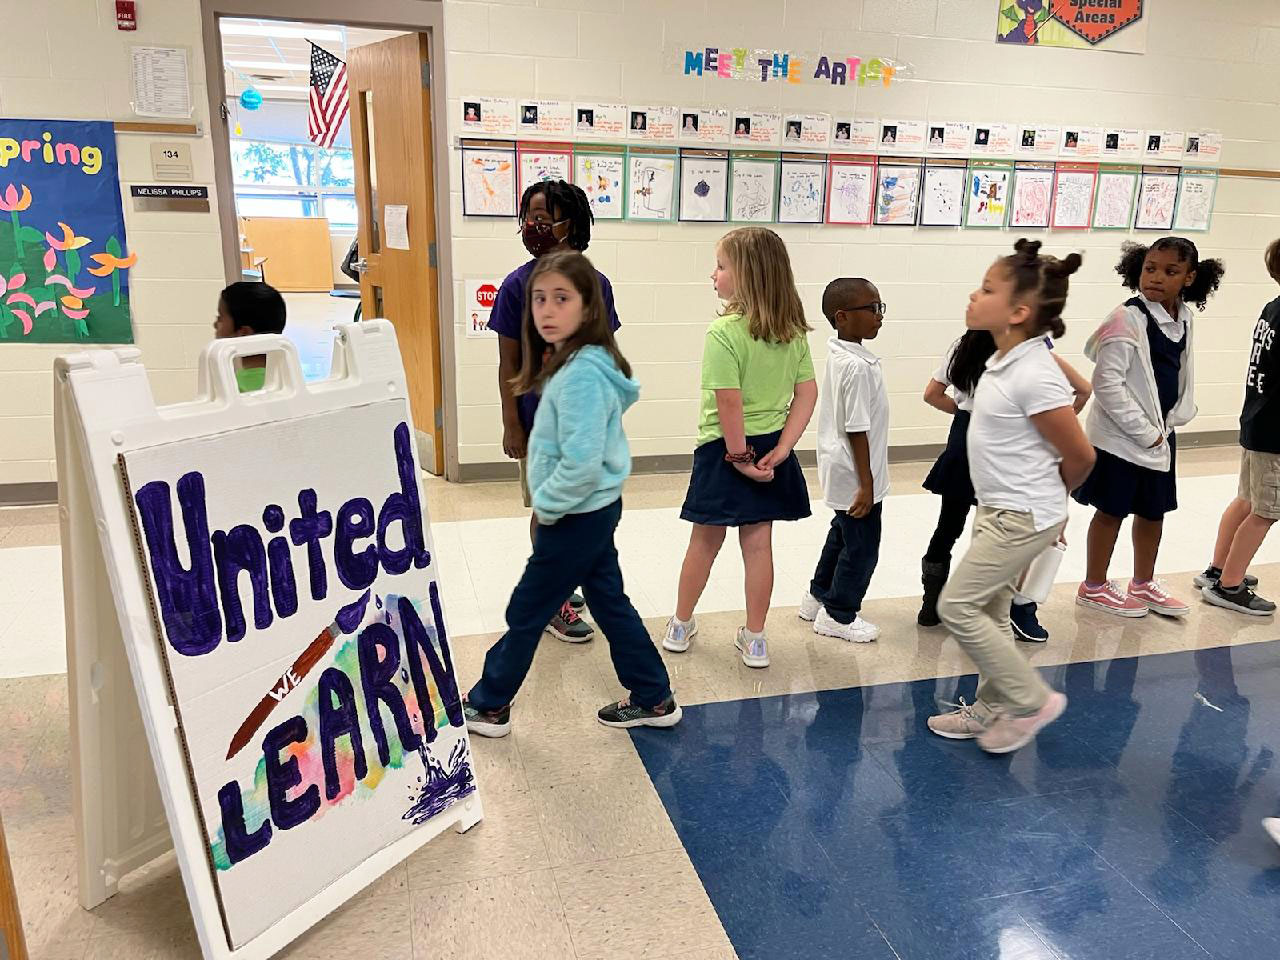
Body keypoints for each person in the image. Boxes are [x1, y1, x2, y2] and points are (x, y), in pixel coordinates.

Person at [462, 251, 680, 737]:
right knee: (607, 599)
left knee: (528, 609)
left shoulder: (582, 372)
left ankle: (490, 704)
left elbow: (581, 461)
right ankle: (653, 696)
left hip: (577, 510)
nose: (545, 309)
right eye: (539, 299)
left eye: (561, 299)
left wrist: (553, 507)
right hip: (591, 507)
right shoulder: (574, 362)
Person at [928, 239, 1095, 754]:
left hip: (1020, 515)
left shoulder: (1034, 373)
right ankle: (987, 710)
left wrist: (1050, 503)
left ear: (1019, 312)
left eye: (987, 289)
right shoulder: (1003, 362)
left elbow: (1081, 456)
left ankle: (1029, 700)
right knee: (994, 613)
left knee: (957, 607)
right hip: (998, 507)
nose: (974, 296)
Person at [664, 227, 817, 668]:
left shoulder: (723, 332)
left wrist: (737, 458)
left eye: (721, 266)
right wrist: (785, 447)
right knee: (758, 544)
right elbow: (806, 393)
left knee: (703, 542)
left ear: (745, 275)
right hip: (769, 449)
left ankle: (680, 624)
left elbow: (727, 401)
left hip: (722, 450)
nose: (713, 274)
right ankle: (754, 638)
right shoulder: (792, 332)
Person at [488, 180, 619, 643]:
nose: (533, 228)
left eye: (544, 220)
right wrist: (511, 423)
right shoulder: (516, 286)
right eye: (529, 219)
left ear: (572, 226)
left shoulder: (594, 285)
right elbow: (507, 363)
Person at [1074, 238, 1225, 617]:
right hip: (1121, 438)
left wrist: (1167, 426)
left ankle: (1142, 583)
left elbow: (1180, 373)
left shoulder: (1184, 318)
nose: (1156, 277)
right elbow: (1107, 386)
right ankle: (1093, 585)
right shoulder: (1126, 318)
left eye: (1170, 271)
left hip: (1160, 434)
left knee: (1153, 511)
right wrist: (1146, 433)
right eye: (1150, 268)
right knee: (1111, 511)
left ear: (1190, 277)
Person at [917, 330, 1091, 640]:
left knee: (948, 528)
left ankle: (930, 608)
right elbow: (1083, 389)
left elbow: (931, 393)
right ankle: (994, 610)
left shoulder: (964, 343)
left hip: (964, 439)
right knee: (1003, 534)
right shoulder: (1029, 353)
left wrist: (962, 412)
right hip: (1007, 445)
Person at [797, 278, 888, 643]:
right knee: (863, 548)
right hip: (855, 473)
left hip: (845, 468)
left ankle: (817, 596)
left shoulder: (842, 355)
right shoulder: (857, 366)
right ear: (842, 317)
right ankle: (840, 613)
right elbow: (856, 428)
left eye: (881, 307)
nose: (879, 316)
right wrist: (866, 484)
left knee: (842, 535)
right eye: (872, 308)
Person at [1198, 239, 1280, 615]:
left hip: (1257, 421)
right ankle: (1229, 586)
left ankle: (1218, 569)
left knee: (1246, 499)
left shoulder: (1273, 308)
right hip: (1275, 432)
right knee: (1265, 510)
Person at [212, 280, 286, 393]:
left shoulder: (229, 390)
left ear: (244, 333)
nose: (215, 324)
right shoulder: (289, 380)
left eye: (220, 317)